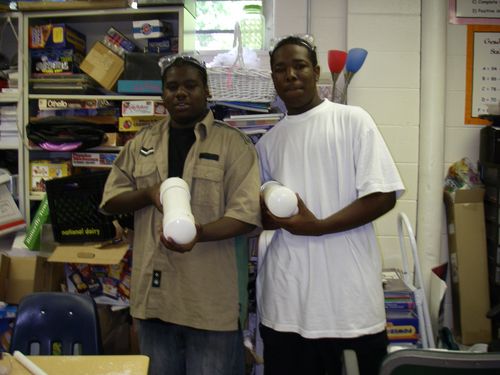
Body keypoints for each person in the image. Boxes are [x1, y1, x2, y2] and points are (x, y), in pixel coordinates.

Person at [100, 55, 261, 375]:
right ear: (162, 95)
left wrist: (199, 233)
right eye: (172, 87)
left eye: (190, 85)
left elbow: (246, 215)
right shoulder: (142, 143)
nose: (180, 93)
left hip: (210, 302)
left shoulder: (234, 145)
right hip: (153, 299)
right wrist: (147, 194)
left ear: (207, 91)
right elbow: (111, 200)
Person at [255, 35, 405, 375]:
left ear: (317, 71)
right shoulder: (267, 143)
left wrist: (318, 227)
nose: (290, 75)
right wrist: (266, 216)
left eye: (299, 66)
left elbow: (382, 196)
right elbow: (262, 215)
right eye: (280, 69)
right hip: (286, 304)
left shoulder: (353, 120)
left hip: (348, 306)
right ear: (273, 78)